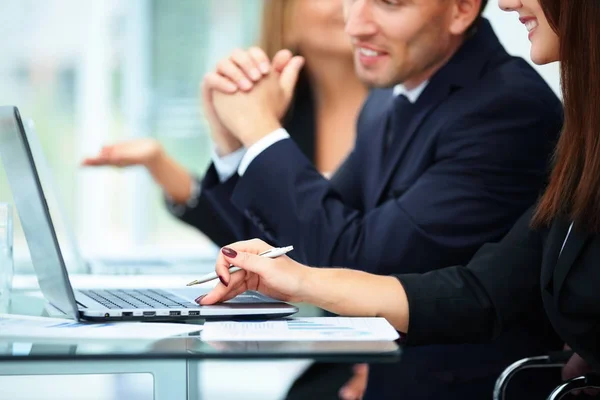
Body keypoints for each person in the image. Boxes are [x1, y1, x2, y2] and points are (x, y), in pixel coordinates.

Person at [199, 0, 600, 399]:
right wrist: (233, 142)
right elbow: (296, 246)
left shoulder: (508, 107)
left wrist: (260, 131)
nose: (353, 26)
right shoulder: (387, 100)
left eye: (389, 3)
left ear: (461, 11)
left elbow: (356, 256)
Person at [82, 0, 367, 246]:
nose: (350, 4)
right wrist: (165, 161)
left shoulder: (402, 111)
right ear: (284, 14)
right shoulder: (279, 109)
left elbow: (343, 243)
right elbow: (257, 240)